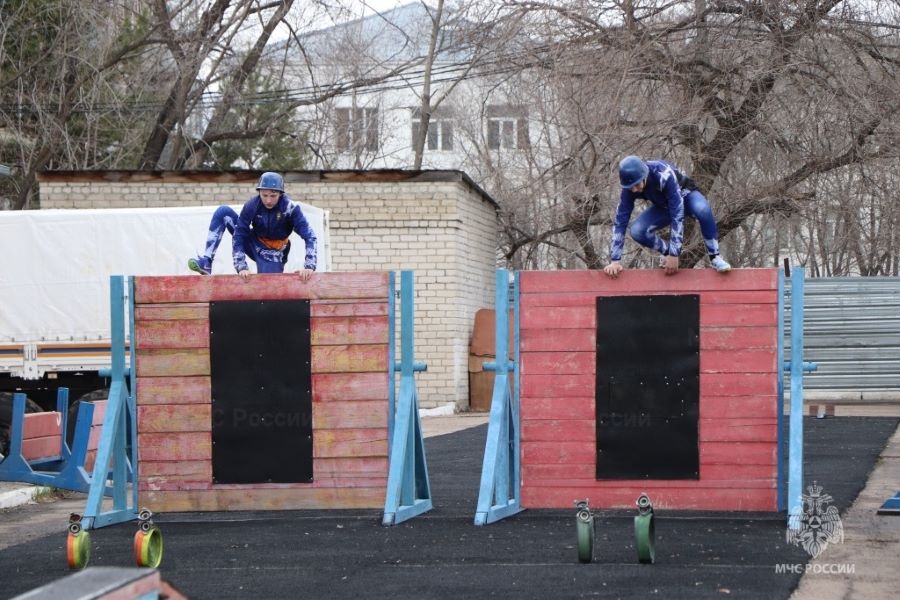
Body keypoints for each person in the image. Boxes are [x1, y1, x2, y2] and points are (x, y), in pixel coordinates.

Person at [603, 155, 731, 278]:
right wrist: (615, 260)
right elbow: (620, 221)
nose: (635, 190)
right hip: (665, 206)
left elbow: (678, 214)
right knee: (636, 231)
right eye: (631, 187)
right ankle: (666, 251)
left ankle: (715, 257)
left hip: (686, 198)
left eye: (637, 185)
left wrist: (675, 254)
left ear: (644, 175)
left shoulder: (663, 174)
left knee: (702, 209)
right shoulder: (629, 189)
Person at [188, 172, 317, 281]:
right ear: (259, 192)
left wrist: (309, 266)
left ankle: (274, 270)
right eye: (264, 195)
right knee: (223, 212)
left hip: (273, 253)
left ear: (281, 194)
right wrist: (241, 266)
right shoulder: (251, 205)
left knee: (268, 285)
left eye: (273, 196)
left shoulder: (290, 209)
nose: (268, 200)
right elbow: (239, 235)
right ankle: (206, 261)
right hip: (253, 243)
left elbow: (310, 236)